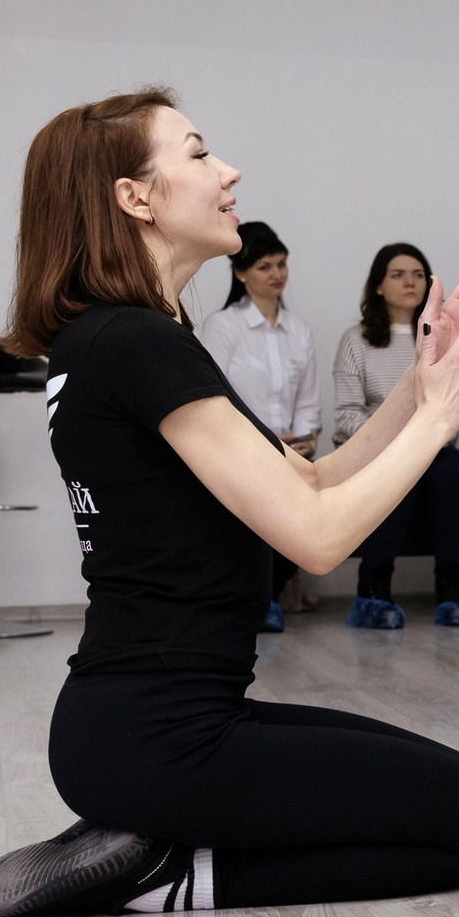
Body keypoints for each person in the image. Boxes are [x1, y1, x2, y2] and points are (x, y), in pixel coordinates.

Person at [0, 87, 459, 917]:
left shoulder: (116, 339)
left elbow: (311, 484)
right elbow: (320, 540)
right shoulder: (137, 342)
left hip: (141, 730)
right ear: (134, 197)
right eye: (197, 154)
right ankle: (167, 871)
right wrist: (443, 416)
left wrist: (420, 380)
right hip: (165, 743)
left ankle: (148, 835)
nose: (229, 171)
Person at [333, 243, 459, 628]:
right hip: (373, 449)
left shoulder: (440, 339)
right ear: (378, 286)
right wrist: (398, 438)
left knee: (453, 468)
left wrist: (426, 437)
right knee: (399, 471)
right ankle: (373, 590)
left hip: (431, 446)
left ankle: (452, 589)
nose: (410, 282)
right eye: (398, 274)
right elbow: (346, 415)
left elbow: (454, 407)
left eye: (418, 274)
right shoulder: (356, 340)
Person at [195, 220, 320, 631]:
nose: (277, 274)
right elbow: (216, 398)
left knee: (306, 511)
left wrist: (305, 438)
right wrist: (265, 441)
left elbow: (307, 400)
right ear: (240, 272)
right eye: (265, 266)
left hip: (292, 454)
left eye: (282, 264)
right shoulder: (223, 326)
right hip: (240, 451)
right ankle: (250, 600)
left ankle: (263, 598)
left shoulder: (299, 330)